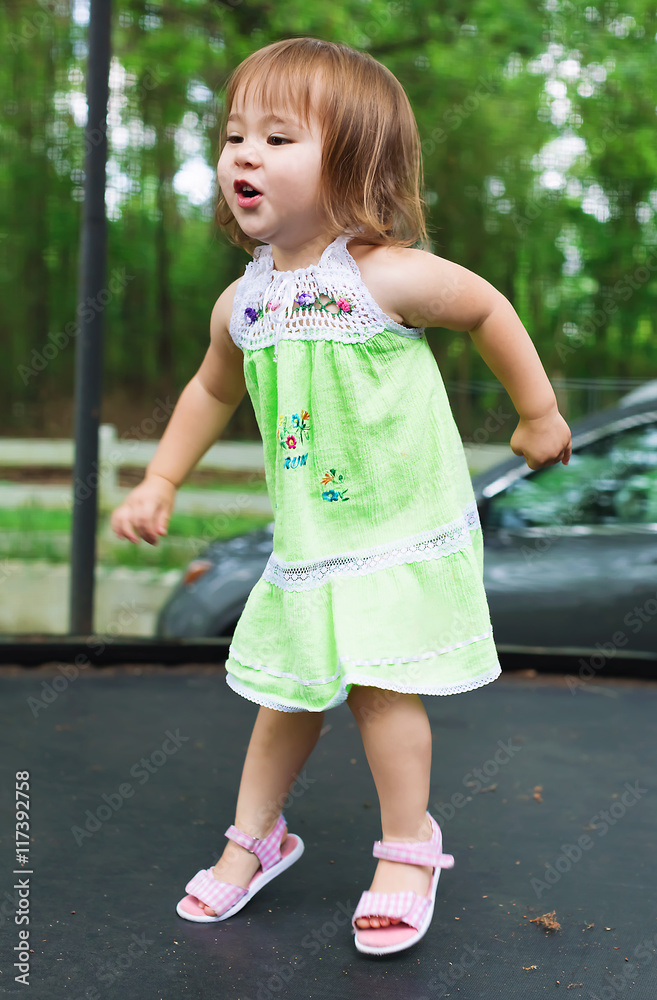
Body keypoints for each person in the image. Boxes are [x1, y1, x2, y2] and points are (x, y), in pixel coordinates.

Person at [110, 37, 571, 956]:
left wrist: (538, 415)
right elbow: (210, 388)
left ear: (352, 165)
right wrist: (161, 478)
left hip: (396, 525)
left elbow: (485, 307)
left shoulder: (382, 276)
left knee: (376, 687)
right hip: (313, 537)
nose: (243, 153)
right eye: (235, 134)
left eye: (277, 137)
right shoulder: (242, 304)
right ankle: (260, 837)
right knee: (285, 691)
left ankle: (409, 845)